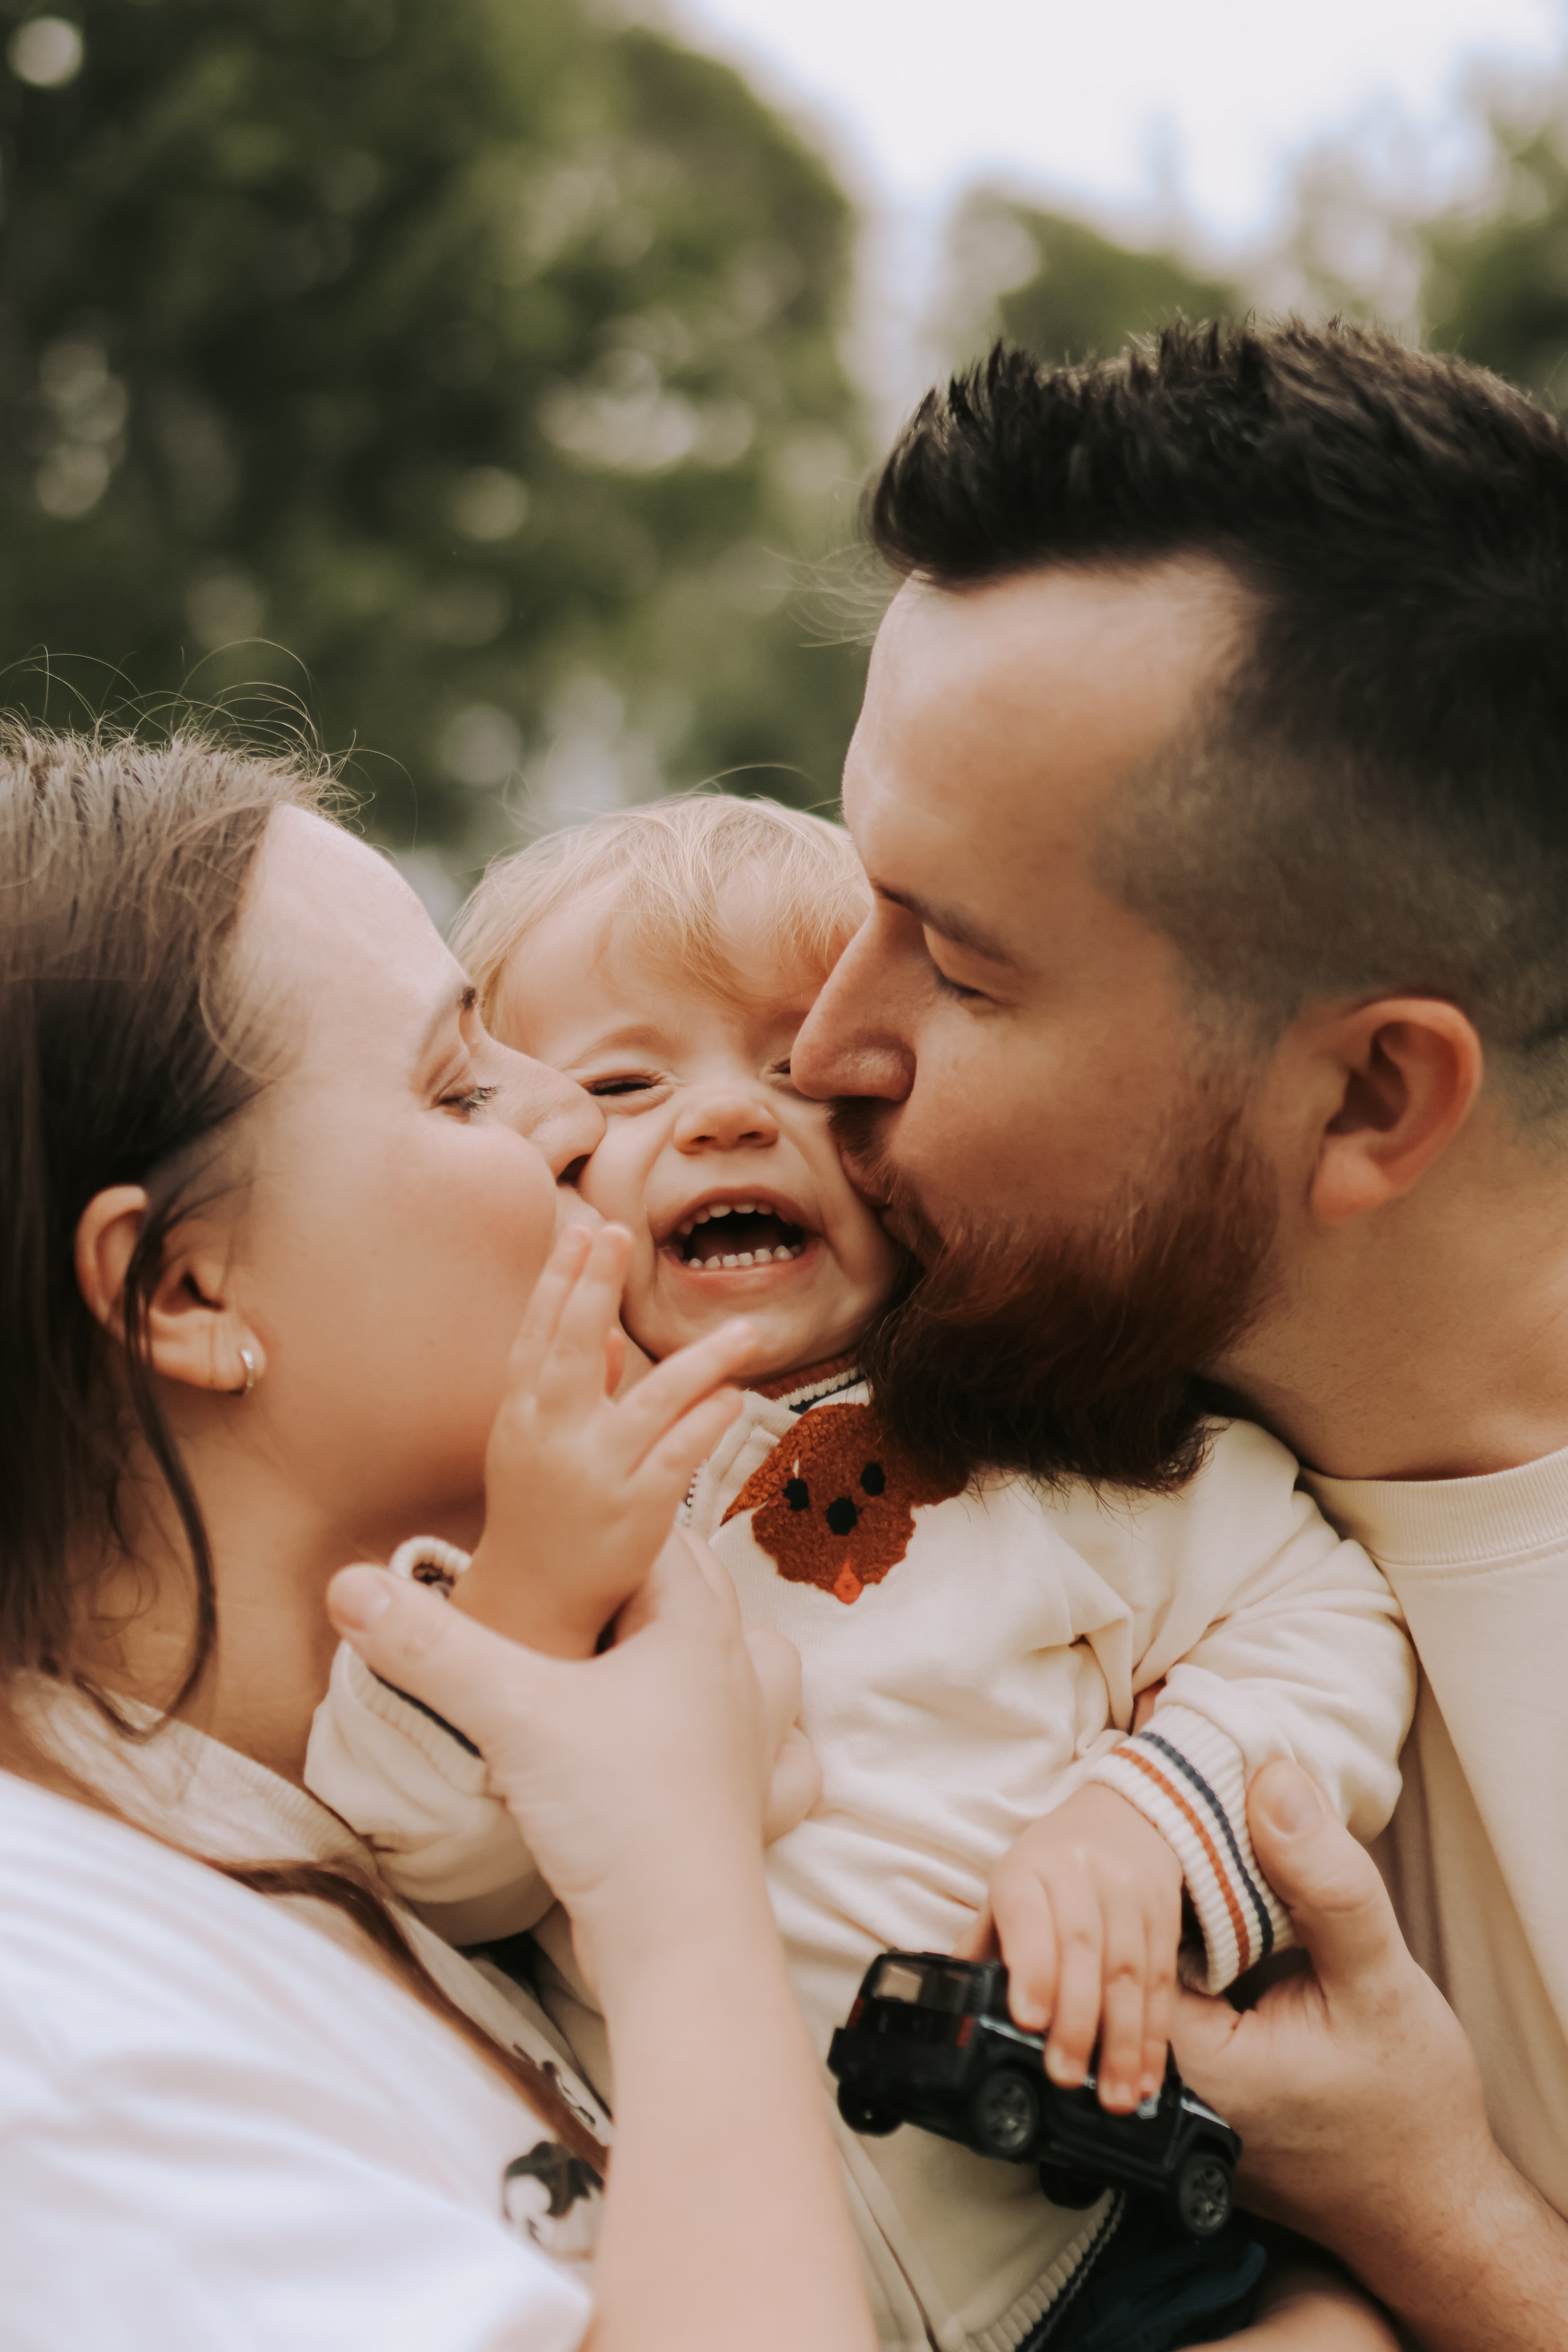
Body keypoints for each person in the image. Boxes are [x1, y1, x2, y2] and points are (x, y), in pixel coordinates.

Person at [303, 792, 1412, 2352]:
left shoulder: (1051, 1438)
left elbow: (1321, 1621)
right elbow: (430, 1864)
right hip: (729, 2259)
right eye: (622, 1083)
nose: (725, 1118)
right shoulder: (512, 1501)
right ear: (528, 1157)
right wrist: (537, 1597)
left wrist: (1147, 1816)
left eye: (799, 1071)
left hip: (1110, 2226)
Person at [789, 320, 1568, 2350]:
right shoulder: (933, 1417)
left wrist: (1440, 2218)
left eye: (953, 965)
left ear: (1373, 1103)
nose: (820, 1049)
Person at [0, 725, 875, 2352]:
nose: (578, 1122)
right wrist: (680, 1889)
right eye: (459, 1079)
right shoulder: (48, 2032)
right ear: (186, 1291)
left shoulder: (335, 1843)